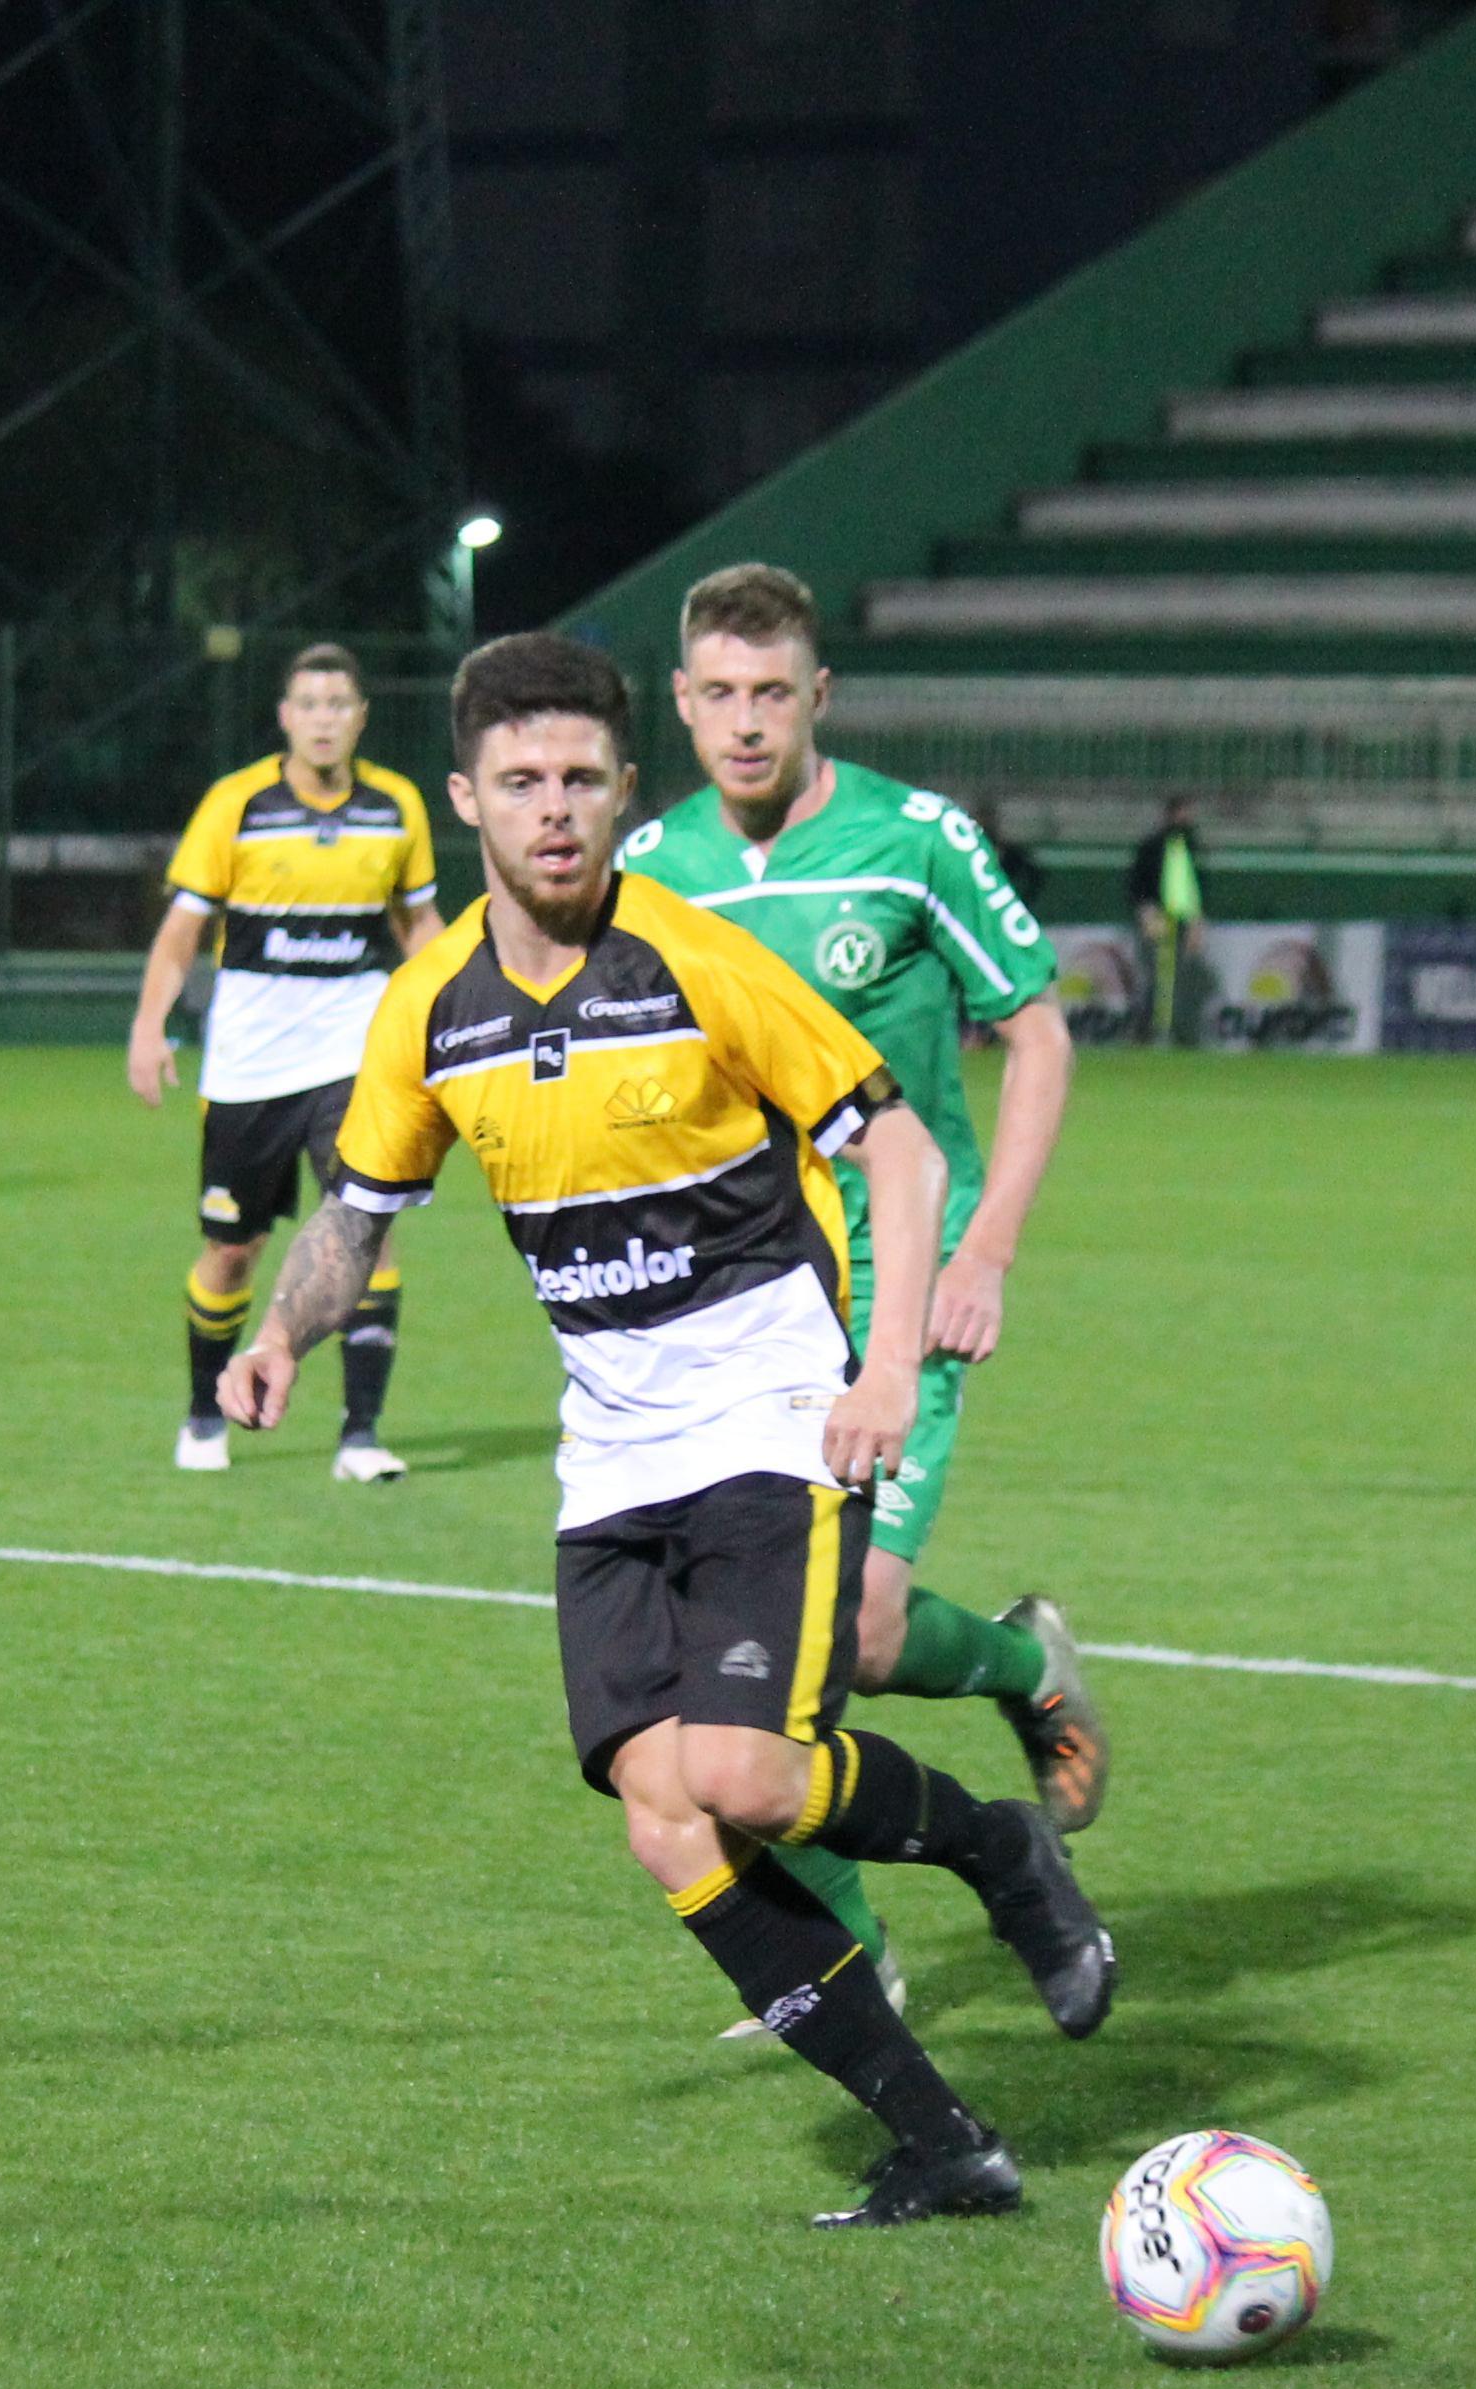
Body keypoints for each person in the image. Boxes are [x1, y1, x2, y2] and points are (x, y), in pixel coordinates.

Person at [221, 633, 1112, 2229]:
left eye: (580, 780)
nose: (553, 810)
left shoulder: (699, 959)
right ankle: (944, 2144)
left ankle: (999, 1852)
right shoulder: (430, 1005)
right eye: (520, 783)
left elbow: (900, 1151)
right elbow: (355, 1211)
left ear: (623, 790)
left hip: (771, 1411)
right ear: (466, 801)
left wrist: (885, 1368)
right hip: (613, 1453)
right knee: (664, 1817)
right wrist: (283, 1330)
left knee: (747, 1775)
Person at [627, 562, 1105, 1820]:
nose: (745, 723)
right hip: (740, 1287)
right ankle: (823, 1922)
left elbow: (1040, 1036)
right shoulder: (653, 871)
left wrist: (983, 1252)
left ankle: (1027, 1669)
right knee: (735, 1635)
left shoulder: (916, 839)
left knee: (863, 1630)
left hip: (901, 1270)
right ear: (681, 700)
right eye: (721, 694)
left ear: (819, 695)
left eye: (772, 693)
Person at [131, 643, 444, 1479]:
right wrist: (149, 1025)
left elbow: (418, 925)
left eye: (339, 704)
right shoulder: (236, 804)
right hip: (250, 1066)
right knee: (233, 1251)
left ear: (361, 716)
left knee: (366, 1230)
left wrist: (458, 1012)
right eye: (309, 704)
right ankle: (205, 1412)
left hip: (354, 1054)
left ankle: (361, 1436)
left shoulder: (396, 806)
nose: (323, 720)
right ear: (284, 717)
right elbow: (182, 932)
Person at [1130, 797, 1205, 1047]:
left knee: (1183, 978)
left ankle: (1180, 1032)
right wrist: (1147, 912)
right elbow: (1137, 884)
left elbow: (1195, 886)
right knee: (1154, 976)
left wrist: (1196, 920)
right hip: (1159, 917)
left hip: (1183, 920)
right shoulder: (1153, 846)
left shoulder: (1191, 847)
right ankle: (1147, 1031)